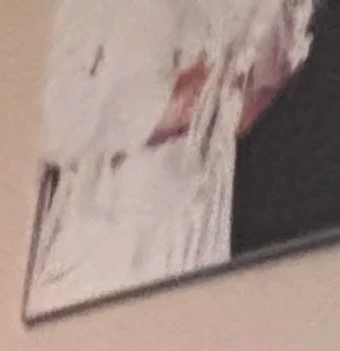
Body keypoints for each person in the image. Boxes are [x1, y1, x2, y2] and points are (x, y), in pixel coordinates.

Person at [27, 0, 317, 316]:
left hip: (191, 250)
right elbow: (51, 119)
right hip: (97, 258)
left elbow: (247, 104)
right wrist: (171, 106)